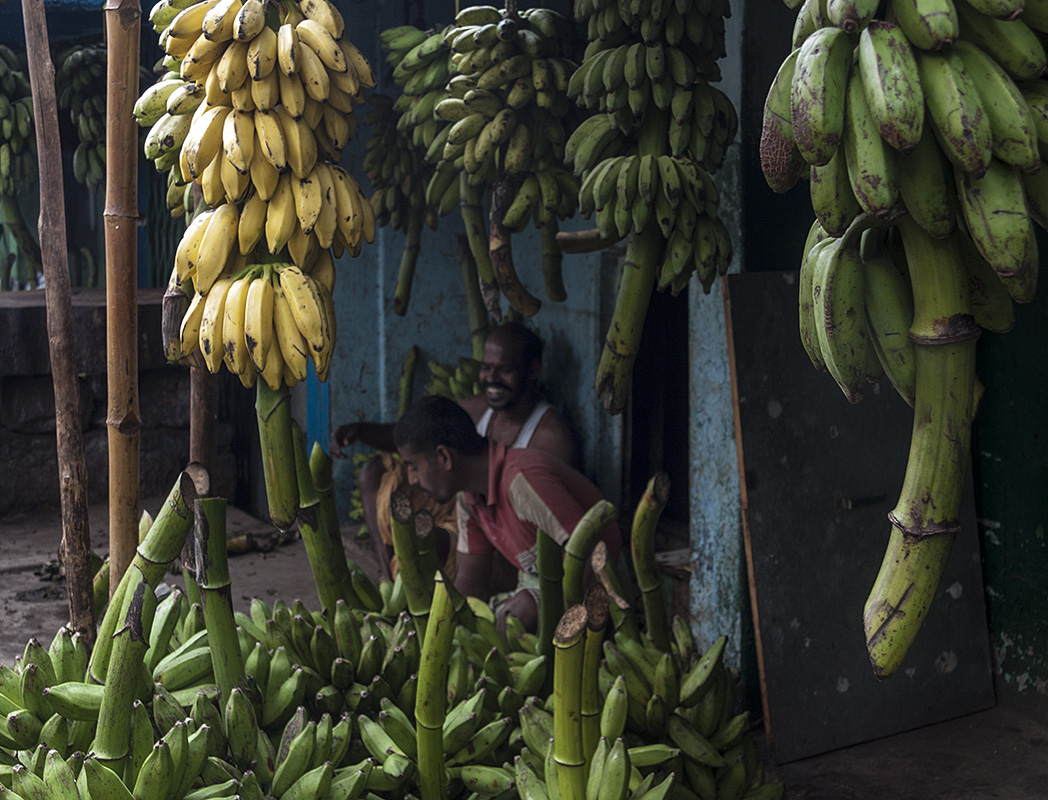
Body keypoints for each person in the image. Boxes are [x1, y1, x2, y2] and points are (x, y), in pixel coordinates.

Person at [330, 322, 581, 580]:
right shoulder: (477, 408)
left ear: (532, 371)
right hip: (463, 501)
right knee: (375, 472)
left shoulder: (550, 438)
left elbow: (561, 533)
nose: (491, 379)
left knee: (431, 541)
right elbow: (419, 441)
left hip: (507, 539)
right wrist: (360, 431)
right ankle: (388, 576)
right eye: (486, 368)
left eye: (505, 370)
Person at [393, 394, 622, 633]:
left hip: (598, 592)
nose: (412, 479)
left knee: (516, 616)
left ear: (444, 457)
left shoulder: (522, 481)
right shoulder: (469, 498)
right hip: (536, 589)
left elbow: (591, 558)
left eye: (413, 466)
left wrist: (565, 634)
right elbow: (471, 583)